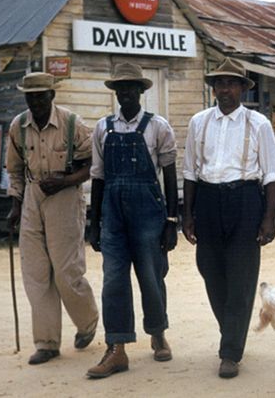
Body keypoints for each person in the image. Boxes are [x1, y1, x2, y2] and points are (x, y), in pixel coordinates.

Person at [182, 57, 275, 379]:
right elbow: (190, 171)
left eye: (231, 83)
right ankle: (232, 330)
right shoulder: (199, 122)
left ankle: (230, 352)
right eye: (219, 84)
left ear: (242, 87)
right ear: (213, 88)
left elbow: (271, 174)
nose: (224, 89)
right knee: (211, 271)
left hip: (244, 200)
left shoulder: (258, 124)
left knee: (241, 277)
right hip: (208, 201)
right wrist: (188, 215)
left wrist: (269, 218)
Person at [86, 62, 178, 378]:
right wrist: (93, 222)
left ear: (141, 91)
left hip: (148, 214)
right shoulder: (102, 127)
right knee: (113, 279)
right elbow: (97, 177)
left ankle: (157, 332)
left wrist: (171, 220)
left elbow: (169, 174)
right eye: (120, 88)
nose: (125, 93)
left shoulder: (158, 127)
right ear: (115, 93)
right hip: (112, 214)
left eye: (131, 88)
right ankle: (117, 348)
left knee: (151, 276)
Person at [6, 72, 99, 365]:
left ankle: (87, 322)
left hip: (65, 197)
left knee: (65, 270)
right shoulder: (18, 126)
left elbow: (93, 165)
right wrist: (16, 205)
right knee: (36, 273)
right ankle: (46, 343)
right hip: (33, 197)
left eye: (41, 95)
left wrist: (65, 180)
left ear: (52, 95)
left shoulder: (73, 124)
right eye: (30, 96)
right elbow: (15, 170)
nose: (35, 102)